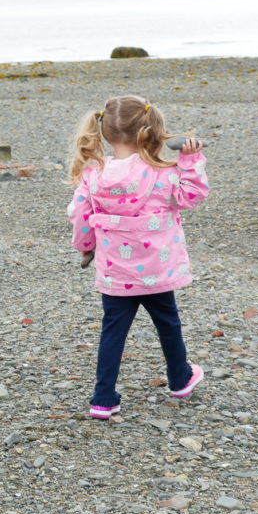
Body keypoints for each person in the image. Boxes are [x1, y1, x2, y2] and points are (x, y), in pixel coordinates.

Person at [67, 96, 210, 420]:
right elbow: (192, 195)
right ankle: (180, 378)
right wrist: (190, 159)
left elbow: (80, 216)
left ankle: (103, 399)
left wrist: (85, 246)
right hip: (158, 269)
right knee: (168, 323)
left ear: (104, 131)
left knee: (113, 331)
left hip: (116, 271)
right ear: (149, 130)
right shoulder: (163, 172)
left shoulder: (94, 175)